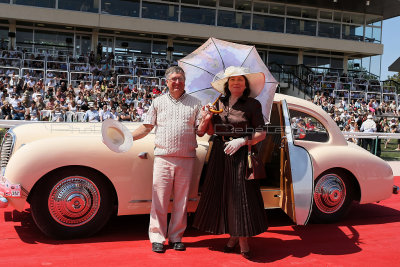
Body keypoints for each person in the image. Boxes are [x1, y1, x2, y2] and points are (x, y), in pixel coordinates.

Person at [193, 66, 268, 259]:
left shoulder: (253, 104)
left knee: (240, 197)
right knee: (223, 195)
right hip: (219, 152)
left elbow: (262, 133)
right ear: (227, 84)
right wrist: (207, 116)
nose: (236, 83)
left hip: (242, 153)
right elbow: (209, 132)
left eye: (240, 80)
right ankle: (233, 235)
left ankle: (242, 239)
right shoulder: (219, 102)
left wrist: (242, 140)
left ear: (245, 84)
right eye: (232, 80)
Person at [131, 66, 208, 253]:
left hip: (186, 157)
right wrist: (127, 138)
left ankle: (176, 237)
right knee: (159, 199)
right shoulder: (158, 102)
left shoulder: (196, 103)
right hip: (163, 157)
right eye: (173, 78)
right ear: (166, 82)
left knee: (182, 201)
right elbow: (147, 126)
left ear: (184, 81)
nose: (177, 82)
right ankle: (157, 237)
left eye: (180, 79)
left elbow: (200, 132)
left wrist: (206, 118)